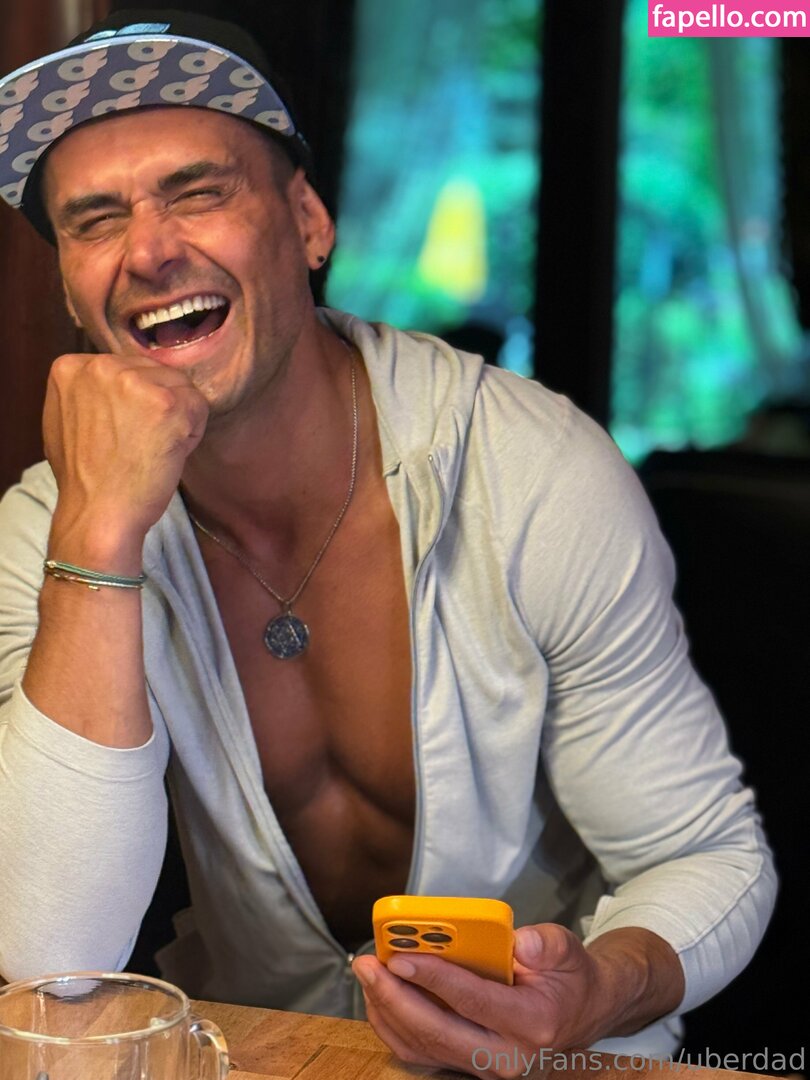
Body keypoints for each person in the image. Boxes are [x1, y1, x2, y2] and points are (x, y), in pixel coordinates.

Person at [0, 9, 775, 1076]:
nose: (149, 250)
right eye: (94, 221)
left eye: (199, 192)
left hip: (552, 1062)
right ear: (71, 292)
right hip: (265, 1055)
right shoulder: (48, 530)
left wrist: (594, 989)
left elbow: (708, 856)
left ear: (308, 222)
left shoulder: (529, 470)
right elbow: (50, 954)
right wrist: (99, 532)